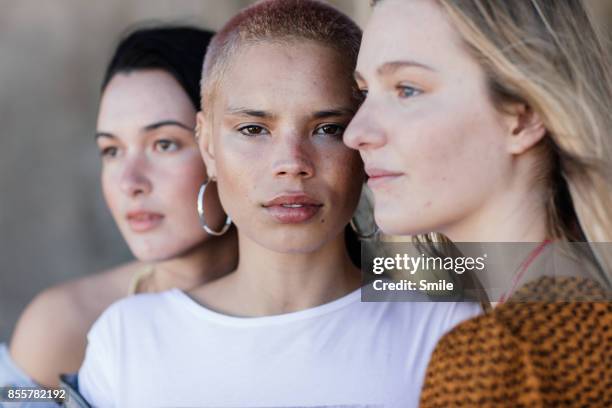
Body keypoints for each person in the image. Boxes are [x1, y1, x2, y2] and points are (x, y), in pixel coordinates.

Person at [77, 1, 480, 407]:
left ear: (363, 136)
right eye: (253, 129)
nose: (292, 164)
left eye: (327, 128)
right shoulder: (126, 340)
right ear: (207, 144)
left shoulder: (445, 328)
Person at [344, 0, 612, 405]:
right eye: (364, 92)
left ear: (522, 117)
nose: (356, 132)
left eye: (407, 89)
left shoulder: (500, 356)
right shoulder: (581, 309)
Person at [4, 26, 238, 389]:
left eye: (164, 144)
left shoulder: (344, 285)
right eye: (112, 150)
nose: (130, 182)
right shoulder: (62, 325)